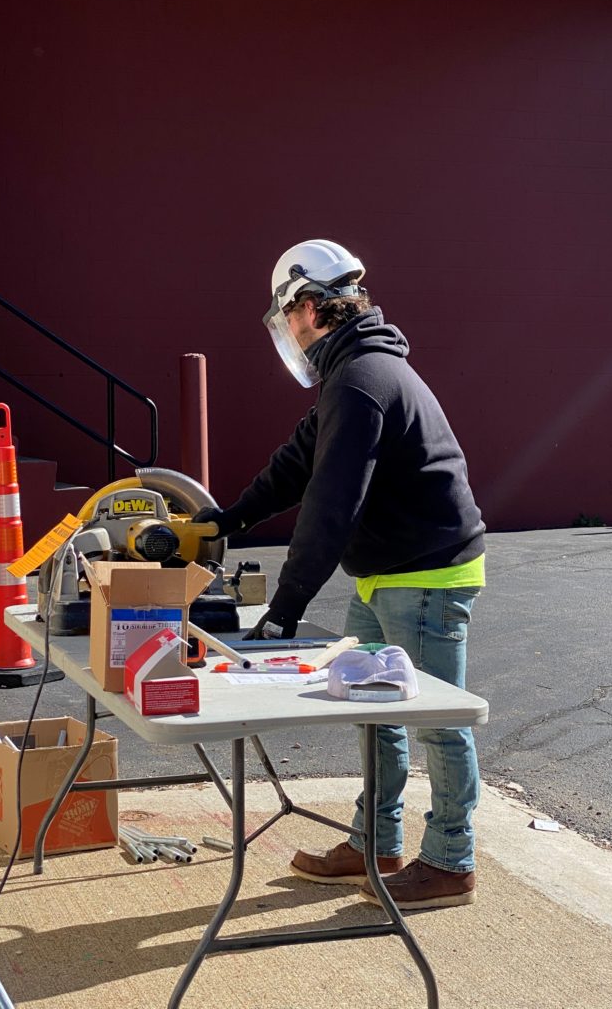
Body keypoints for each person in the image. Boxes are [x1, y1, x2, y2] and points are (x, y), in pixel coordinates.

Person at [192, 238, 485, 909]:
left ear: (309, 307)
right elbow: (298, 462)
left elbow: (329, 507)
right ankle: (375, 844)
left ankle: (450, 861)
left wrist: (286, 610)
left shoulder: (363, 381)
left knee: (438, 720)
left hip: (429, 575)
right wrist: (224, 521)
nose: (288, 331)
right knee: (375, 712)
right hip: (389, 574)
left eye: (288, 314)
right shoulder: (353, 375)